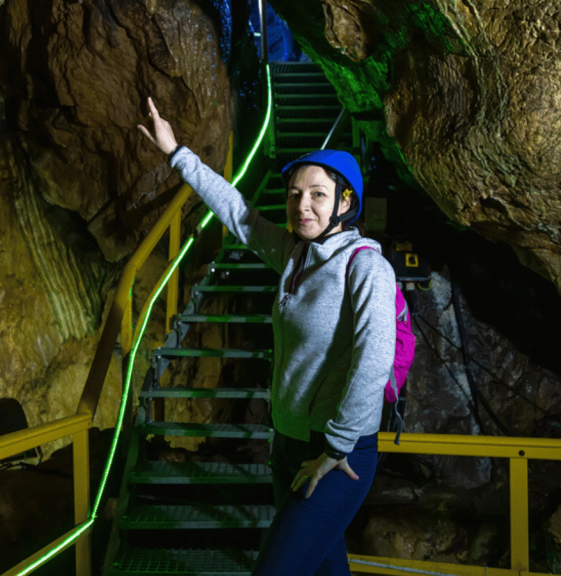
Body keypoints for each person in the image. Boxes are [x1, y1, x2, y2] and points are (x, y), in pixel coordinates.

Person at [138, 97, 396, 575]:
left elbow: (374, 360)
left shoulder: (367, 267)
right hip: (290, 445)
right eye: (295, 193)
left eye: (318, 194)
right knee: (324, 570)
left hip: (337, 454)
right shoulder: (295, 256)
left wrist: (336, 447)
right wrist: (177, 154)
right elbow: (239, 214)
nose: (302, 205)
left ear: (346, 201)